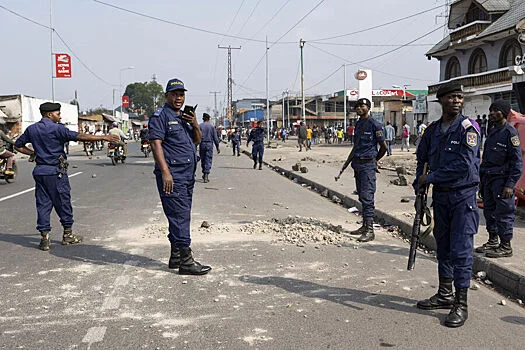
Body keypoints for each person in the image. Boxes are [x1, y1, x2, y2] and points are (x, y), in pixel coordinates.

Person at [414, 82, 480, 328]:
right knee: (443, 247)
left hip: (463, 197)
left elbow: (464, 164)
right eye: (451, 97)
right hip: (441, 197)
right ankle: (444, 294)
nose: (456, 101)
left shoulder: (468, 128)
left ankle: (460, 304)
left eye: (460, 97)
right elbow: (422, 160)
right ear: (440, 100)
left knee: (461, 251)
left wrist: (429, 178)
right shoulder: (432, 131)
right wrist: (418, 186)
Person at [14, 102, 118, 251]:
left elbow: (17, 145)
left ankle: (44, 238)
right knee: (63, 202)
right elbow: (79, 136)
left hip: (40, 171)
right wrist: (104, 138)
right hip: (55, 172)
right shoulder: (57, 129)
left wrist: (33, 154)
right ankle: (68, 235)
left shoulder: (32, 129)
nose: (60, 116)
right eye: (58, 113)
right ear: (49, 115)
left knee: (43, 204)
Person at [148, 78, 211, 275]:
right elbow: (155, 143)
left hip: (187, 176)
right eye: (174, 94)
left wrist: (195, 124)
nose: (178, 98)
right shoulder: (160, 116)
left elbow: (197, 140)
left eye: (181, 94)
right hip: (173, 176)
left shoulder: (184, 117)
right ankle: (186, 261)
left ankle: (175, 256)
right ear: (167, 96)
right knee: (180, 217)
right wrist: (165, 172)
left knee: (179, 216)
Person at [475, 100, 522, 258]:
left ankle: (505, 246)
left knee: (504, 213)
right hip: (489, 179)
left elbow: (517, 162)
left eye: (496, 110)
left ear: (504, 113)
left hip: (502, 181)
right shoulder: (493, 130)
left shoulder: (510, 133)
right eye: (491, 110)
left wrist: (510, 185)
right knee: (489, 211)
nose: (491, 113)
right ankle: (493, 240)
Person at [348, 98, 387, 242]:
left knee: (367, 197)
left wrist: (375, 160)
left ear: (368, 108)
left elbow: (383, 146)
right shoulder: (358, 124)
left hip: (368, 165)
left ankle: (370, 230)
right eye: (357, 106)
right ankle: (364, 226)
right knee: (361, 196)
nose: (359, 108)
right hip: (358, 164)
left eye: (362, 106)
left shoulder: (374, 124)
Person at [198, 113, 220, 183]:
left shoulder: (200, 126)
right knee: (208, 159)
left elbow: (196, 136)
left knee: (203, 159)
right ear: (209, 119)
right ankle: (206, 174)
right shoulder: (211, 126)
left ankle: (204, 173)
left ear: (203, 118)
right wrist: (217, 147)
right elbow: (215, 138)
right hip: (209, 144)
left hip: (202, 144)